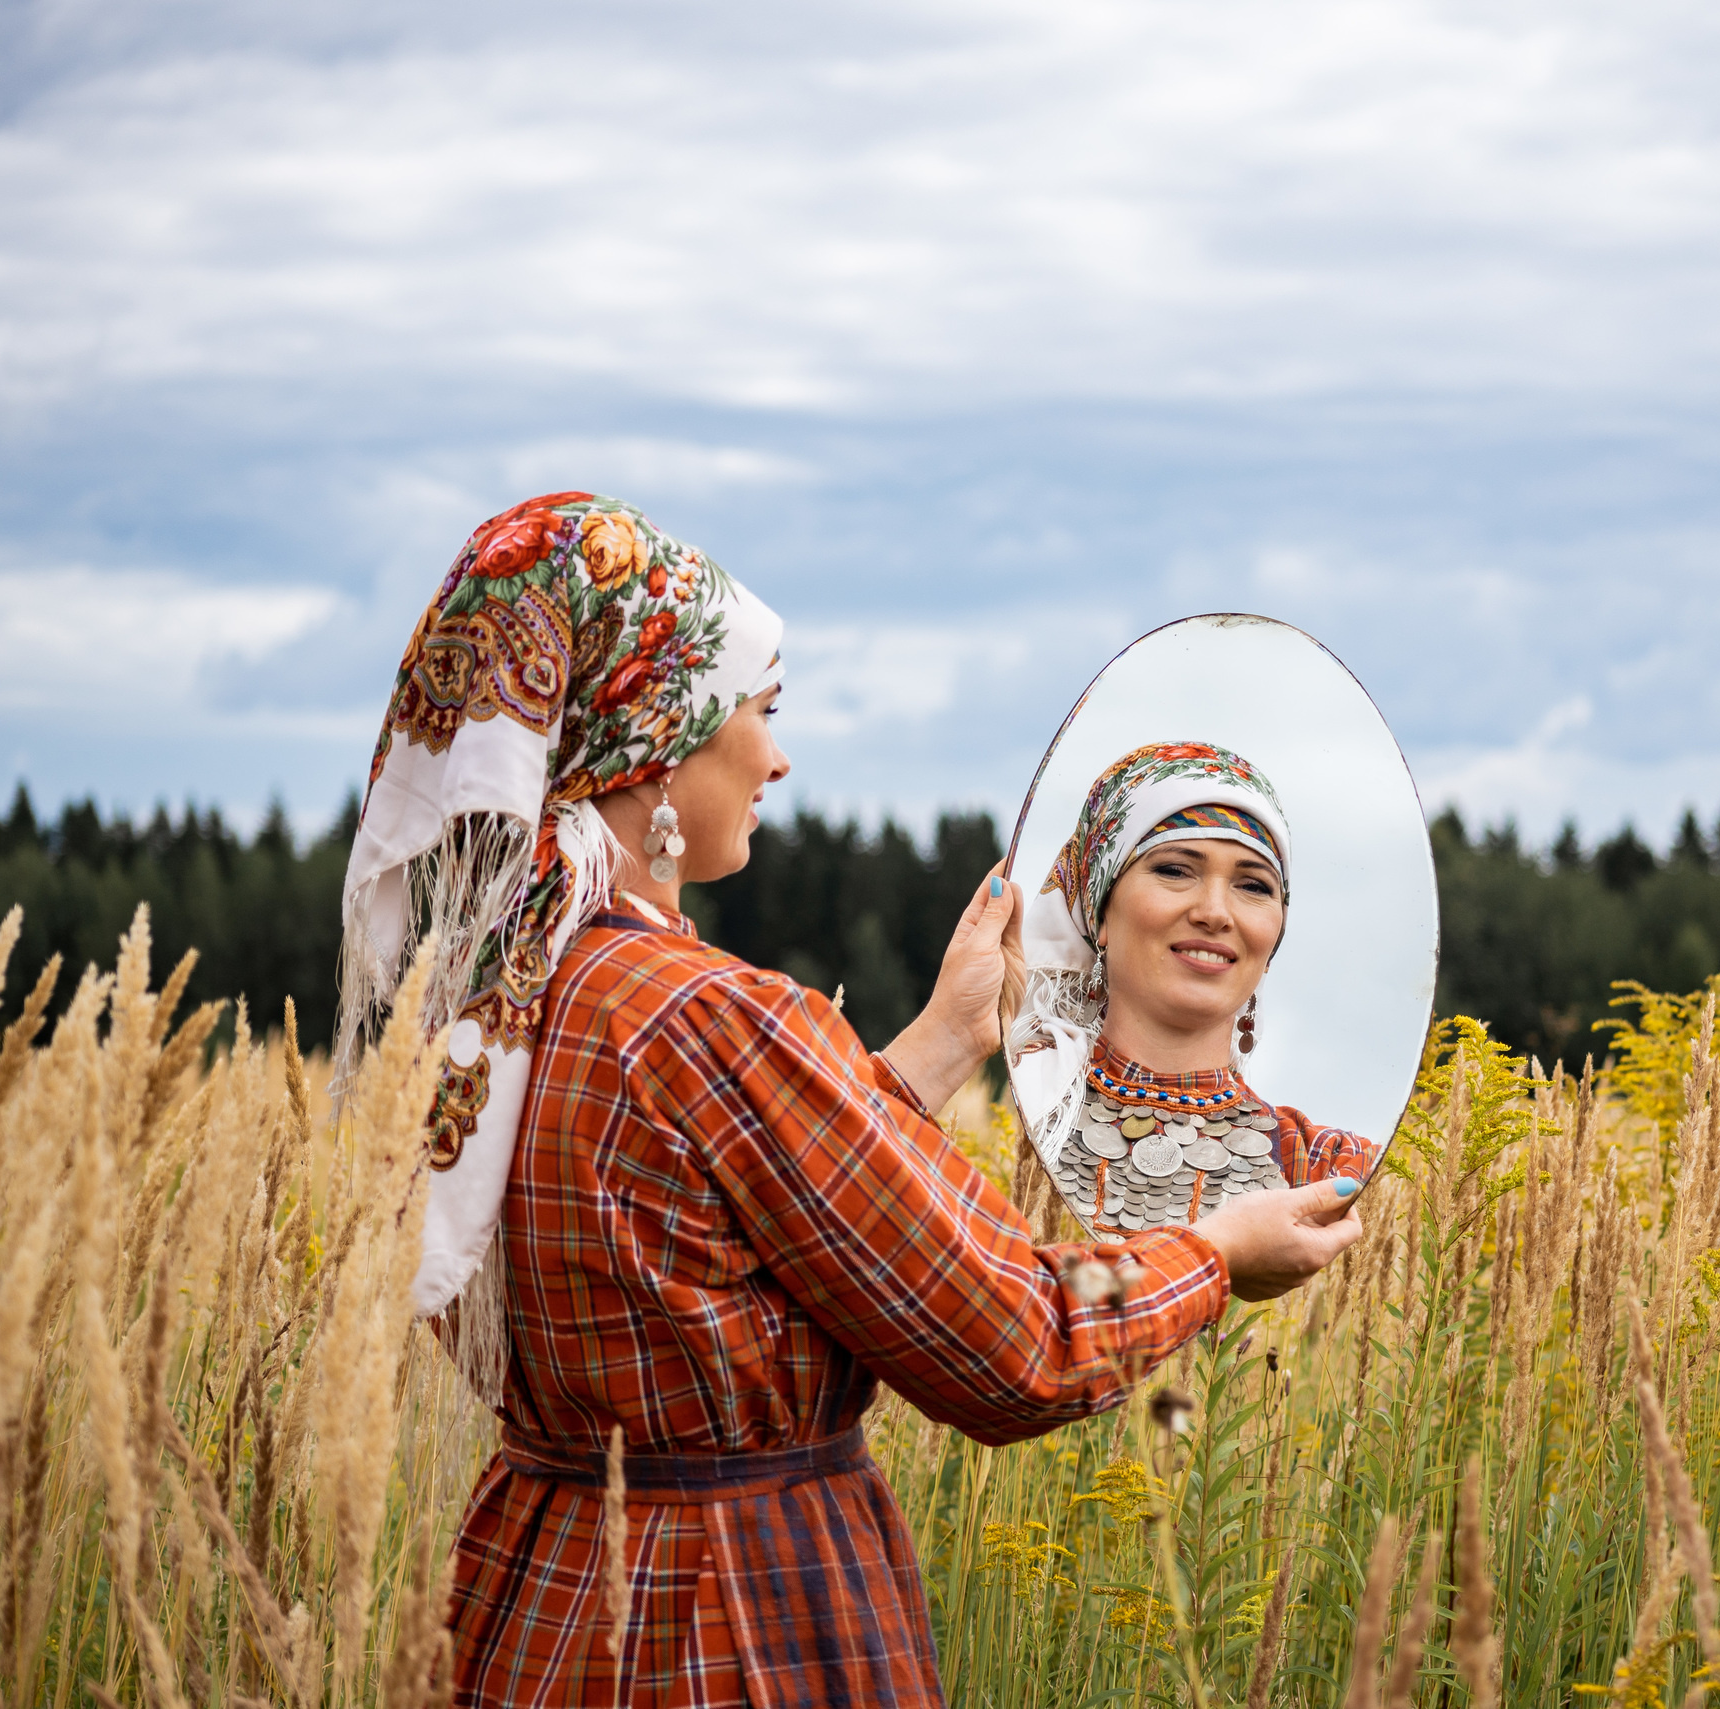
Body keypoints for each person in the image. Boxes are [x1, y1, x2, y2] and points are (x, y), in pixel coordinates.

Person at [332, 492, 1367, 1708]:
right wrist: (1209, 1247)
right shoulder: (712, 1017)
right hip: (736, 1619)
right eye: (761, 712)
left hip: (540, 1594)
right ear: (655, 740)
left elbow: (726, 1222)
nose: (775, 757)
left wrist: (936, 1045)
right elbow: (1018, 1338)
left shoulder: (497, 1002)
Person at [1008, 742, 1379, 1236]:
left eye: (1253, 886)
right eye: (1174, 870)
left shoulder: (1330, 1169)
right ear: (1100, 913)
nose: (1215, 912)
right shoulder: (1009, 1115)